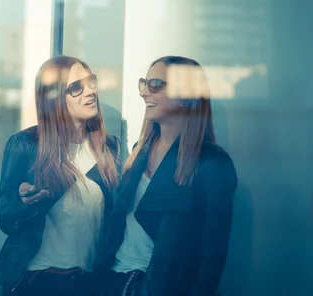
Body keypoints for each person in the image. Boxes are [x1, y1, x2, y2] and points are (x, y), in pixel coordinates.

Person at [101, 56, 237, 296]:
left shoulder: (212, 163)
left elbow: (211, 258)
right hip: (115, 281)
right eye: (144, 83)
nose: (144, 93)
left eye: (155, 84)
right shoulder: (138, 152)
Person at [0, 56, 121, 295]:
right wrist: (23, 205)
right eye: (76, 87)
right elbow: (4, 219)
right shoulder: (25, 145)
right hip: (38, 282)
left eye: (90, 82)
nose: (90, 92)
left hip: (88, 285)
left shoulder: (108, 148)